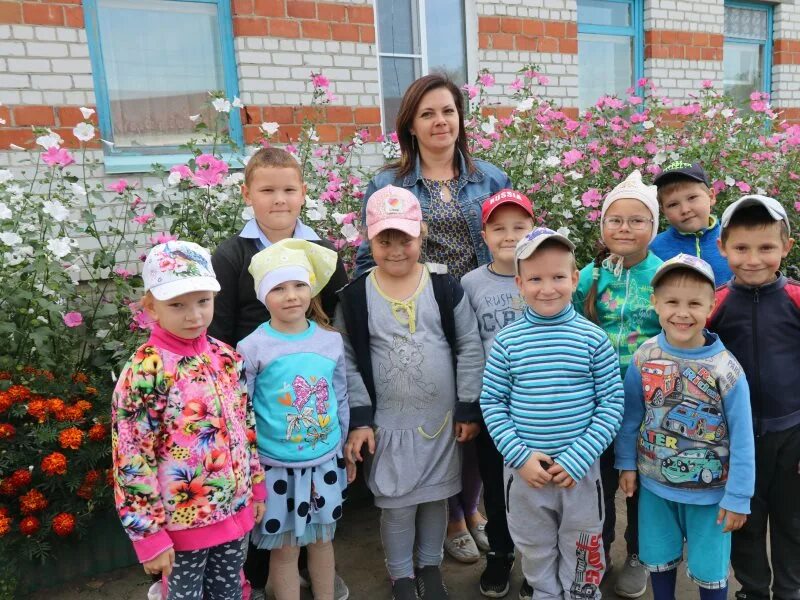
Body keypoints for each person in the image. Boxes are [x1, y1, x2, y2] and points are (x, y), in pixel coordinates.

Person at [208, 146, 350, 600]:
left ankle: (319, 573)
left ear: (303, 193)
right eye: (267, 190)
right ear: (248, 194)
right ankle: (270, 579)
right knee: (271, 527)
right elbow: (220, 332)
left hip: (314, 412)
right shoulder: (231, 256)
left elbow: (336, 322)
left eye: (289, 189)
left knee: (321, 526)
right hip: (265, 406)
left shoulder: (323, 251)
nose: (279, 199)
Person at [338, 185, 485, 600]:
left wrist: (467, 407)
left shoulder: (443, 287)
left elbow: (470, 346)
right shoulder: (354, 297)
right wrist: (361, 419)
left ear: (420, 233)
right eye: (385, 239)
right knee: (397, 506)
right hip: (388, 428)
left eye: (405, 237)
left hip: (438, 423)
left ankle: (430, 568)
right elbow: (346, 360)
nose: (397, 248)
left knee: (436, 499)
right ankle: (401, 575)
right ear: (370, 239)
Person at [111, 241, 266, 600]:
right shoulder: (145, 371)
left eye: (203, 301)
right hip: (179, 527)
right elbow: (132, 459)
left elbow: (246, 426)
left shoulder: (226, 358)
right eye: (177, 305)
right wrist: (148, 533)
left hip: (233, 514)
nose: (194, 315)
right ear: (151, 307)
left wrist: (255, 486)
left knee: (230, 590)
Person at [481, 227, 624, 600]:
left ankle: (580, 594)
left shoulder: (593, 339)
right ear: (519, 283)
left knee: (582, 545)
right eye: (536, 279)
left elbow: (611, 403)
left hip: (579, 472)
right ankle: (544, 593)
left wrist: (579, 457)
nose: (548, 288)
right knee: (534, 545)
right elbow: (492, 403)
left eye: (558, 277)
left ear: (574, 279)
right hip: (525, 474)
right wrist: (519, 456)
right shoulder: (507, 342)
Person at [616, 254, 755, 600]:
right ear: (655, 304)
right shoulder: (644, 356)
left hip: (712, 495)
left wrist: (739, 496)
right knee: (659, 560)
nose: (682, 312)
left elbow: (743, 437)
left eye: (694, 303)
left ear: (711, 304)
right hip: (655, 487)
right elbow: (632, 415)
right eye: (672, 302)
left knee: (711, 571)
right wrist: (627, 464)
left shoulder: (725, 368)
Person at [237, 239, 352, 600]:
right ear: (262, 296)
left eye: (299, 285)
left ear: (312, 288)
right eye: (278, 288)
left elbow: (341, 396)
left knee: (322, 541)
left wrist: (344, 447)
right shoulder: (252, 347)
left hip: (325, 463)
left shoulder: (330, 341)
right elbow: (244, 411)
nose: (291, 296)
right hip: (275, 467)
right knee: (284, 551)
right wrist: (249, 465)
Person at [572, 170, 662, 599]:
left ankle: (638, 555)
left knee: (641, 486)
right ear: (603, 226)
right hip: (597, 403)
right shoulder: (589, 276)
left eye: (637, 220)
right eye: (615, 220)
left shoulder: (664, 275)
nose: (624, 228)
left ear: (653, 228)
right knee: (601, 483)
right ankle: (600, 551)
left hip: (651, 404)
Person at [708, 195, 799, 600]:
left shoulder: (796, 299)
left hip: (792, 433)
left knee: (793, 521)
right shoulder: (717, 303)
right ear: (722, 247)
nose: (753, 259)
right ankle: (754, 590)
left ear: (786, 247)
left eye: (766, 247)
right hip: (737, 439)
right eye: (741, 248)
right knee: (741, 517)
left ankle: (790, 590)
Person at [353, 73, 511, 279]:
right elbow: (368, 260)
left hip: (482, 303)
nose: (441, 121)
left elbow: (518, 244)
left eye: (448, 111)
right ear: (411, 126)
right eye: (427, 114)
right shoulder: (386, 185)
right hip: (417, 305)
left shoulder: (491, 179)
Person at [460, 189, 535, 598]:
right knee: (496, 485)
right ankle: (501, 554)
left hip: (540, 406)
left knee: (534, 487)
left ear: (532, 229)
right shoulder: (470, 283)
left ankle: (536, 562)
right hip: (494, 409)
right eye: (499, 227)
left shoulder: (543, 273)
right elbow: (467, 349)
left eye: (519, 227)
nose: (509, 235)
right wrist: (470, 407)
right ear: (484, 234)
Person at [650, 161, 732, 284]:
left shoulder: (732, 239)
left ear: (711, 196)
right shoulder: (654, 249)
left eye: (692, 198)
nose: (685, 210)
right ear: (663, 211)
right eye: (673, 204)